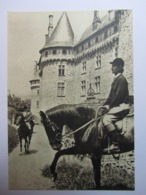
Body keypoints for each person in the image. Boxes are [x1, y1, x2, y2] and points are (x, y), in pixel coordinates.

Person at [98, 58, 130, 152]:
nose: (112, 68)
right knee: (101, 115)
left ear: (120, 67)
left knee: (106, 119)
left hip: (123, 106)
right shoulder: (116, 79)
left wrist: (109, 106)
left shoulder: (122, 80)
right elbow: (110, 97)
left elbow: (118, 97)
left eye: (114, 66)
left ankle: (115, 144)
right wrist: (102, 106)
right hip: (117, 106)